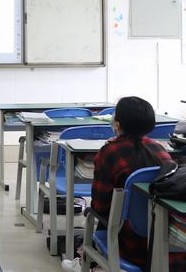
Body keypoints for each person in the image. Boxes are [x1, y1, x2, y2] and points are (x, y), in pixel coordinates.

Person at [69, 96, 186, 272]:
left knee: (103, 213)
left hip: (132, 247)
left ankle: (87, 261)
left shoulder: (109, 152)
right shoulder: (160, 149)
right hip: (167, 243)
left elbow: (99, 206)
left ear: (117, 124)